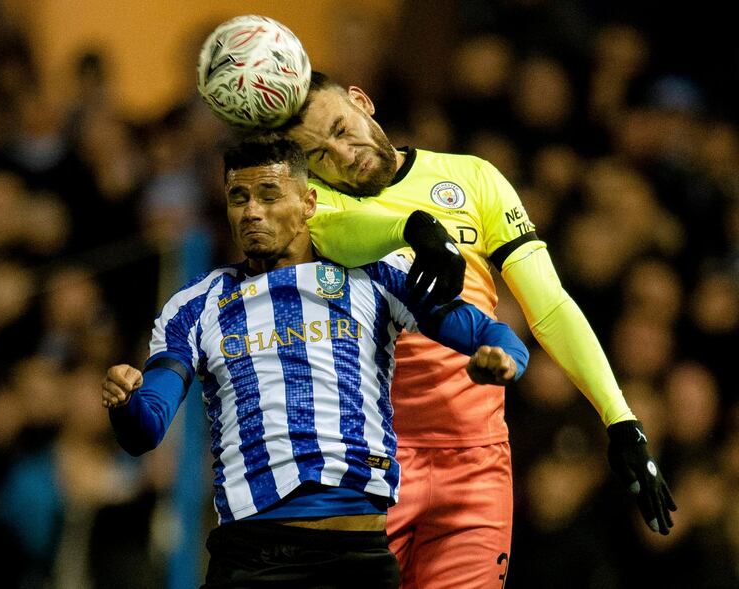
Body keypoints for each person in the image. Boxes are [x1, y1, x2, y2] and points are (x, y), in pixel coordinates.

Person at [276, 72, 677, 588]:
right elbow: (343, 234)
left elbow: (550, 306)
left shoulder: (473, 178)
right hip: (367, 462)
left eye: (340, 127)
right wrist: (412, 227)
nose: (342, 154)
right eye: (321, 154)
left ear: (362, 101)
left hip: (476, 463)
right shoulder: (317, 202)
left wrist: (619, 418)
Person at [101, 136, 529, 589]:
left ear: (308, 202)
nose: (251, 211)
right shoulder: (195, 305)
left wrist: (504, 360)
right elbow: (145, 429)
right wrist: (126, 401)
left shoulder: (375, 275)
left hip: (360, 557)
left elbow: (489, 333)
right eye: (238, 197)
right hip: (254, 557)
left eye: (269, 194)